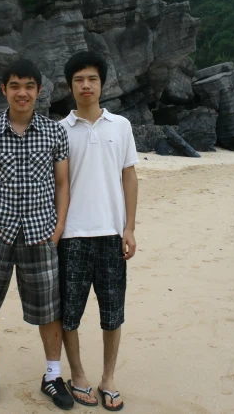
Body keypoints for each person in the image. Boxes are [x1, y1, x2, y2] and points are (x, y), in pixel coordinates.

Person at [0, 59, 74, 410]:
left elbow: (62, 184)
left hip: (41, 233)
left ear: (39, 91)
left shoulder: (55, 132)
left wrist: (58, 228)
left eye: (29, 86)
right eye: (14, 85)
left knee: (49, 310)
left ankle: (53, 376)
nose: (22, 92)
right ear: (4, 90)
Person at [58, 51, 139, 411]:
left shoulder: (120, 126)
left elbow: (129, 175)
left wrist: (130, 228)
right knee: (69, 312)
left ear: (102, 83)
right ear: (70, 86)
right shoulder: (59, 130)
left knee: (112, 312)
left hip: (111, 233)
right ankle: (77, 375)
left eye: (91, 79)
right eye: (78, 80)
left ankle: (108, 378)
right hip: (71, 235)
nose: (85, 85)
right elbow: (54, 184)